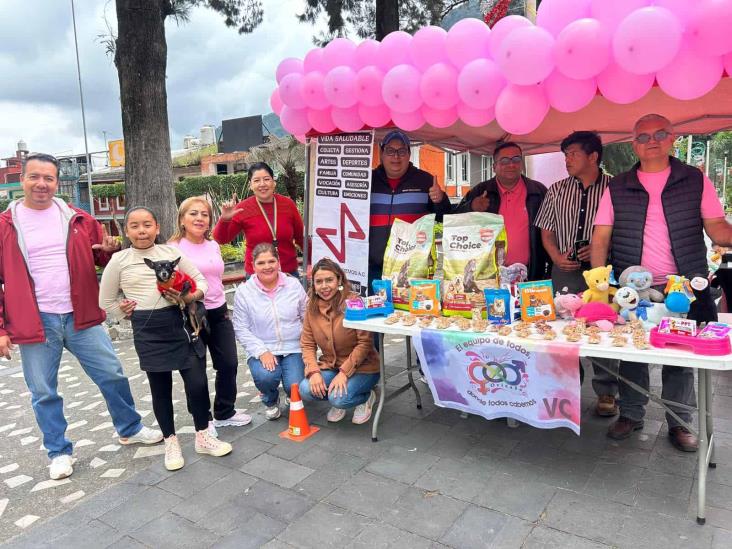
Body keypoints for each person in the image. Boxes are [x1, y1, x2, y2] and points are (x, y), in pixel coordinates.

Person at [0, 153, 161, 480]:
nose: (41, 184)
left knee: (112, 374)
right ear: (23, 179)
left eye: (48, 178)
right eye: (34, 177)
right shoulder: (5, 226)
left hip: (82, 315)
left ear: (57, 182)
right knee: (44, 391)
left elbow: (99, 258)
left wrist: (108, 250)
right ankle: (58, 451)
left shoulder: (78, 219)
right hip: (36, 321)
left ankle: (129, 427)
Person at [592, 113, 732, 451]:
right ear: (633, 144)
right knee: (633, 355)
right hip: (633, 290)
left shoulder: (695, 180)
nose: (651, 140)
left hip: (684, 286)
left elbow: (716, 229)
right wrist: (597, 288)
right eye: (643, 136)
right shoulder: (618, 185)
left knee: (681, 360)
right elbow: (601, 238)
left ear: (673, 138)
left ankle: (681, 423)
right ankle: (631, 414)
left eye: (660, 133)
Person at [99, 207, 232, 471]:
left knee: (197, 381)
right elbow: (106, 301)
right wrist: (125, 314)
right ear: (127, 231)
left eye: (147, 224)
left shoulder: (171, 253)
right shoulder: (119, 260)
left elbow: (200, 281)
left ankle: (203, 435)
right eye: (134, 226)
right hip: (148, 329)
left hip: (180, 323)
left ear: (157, 227)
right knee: (160, 389)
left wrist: (189, 298)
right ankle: (170, 441)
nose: (141, 231)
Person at [534, 131, 619, 417]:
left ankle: (607, 391)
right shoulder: (557, 190)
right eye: (565, 155)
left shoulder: (615, 189)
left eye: (573, 154)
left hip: (604, 274)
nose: (567, 160)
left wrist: (603, 253)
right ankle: (566, 388)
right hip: (566, 271)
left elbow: (625, 230)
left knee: (603, 327)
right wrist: (557, 257)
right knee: (564, 328)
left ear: (593, 156)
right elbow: (546, 232)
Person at [169, 197, 252, 429]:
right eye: (193, 214)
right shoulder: (173, 248)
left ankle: (225, 412)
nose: (199, 218)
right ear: (182, 219)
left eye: (204, 214)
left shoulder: (213, 244)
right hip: (190, 314)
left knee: (229, 362)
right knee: (196, 371)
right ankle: (202, 419)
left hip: (219, 309)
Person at [368, 130, 452, 290]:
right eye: (390, 151)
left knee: (408, 315)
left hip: (412, 269)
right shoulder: (368, 181)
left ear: (409, 154)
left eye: (401, 151)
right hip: (373, 268)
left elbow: (444, 218)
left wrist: (440, 200)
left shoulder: (425, 180)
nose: (396, 157)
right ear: (382, 154)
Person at [299, 258, 380, 424]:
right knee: (306, 389)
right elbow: (307, 344)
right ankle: (339, 391)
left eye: (329, 280)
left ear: (339, 280)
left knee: (339, 400)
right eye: (319, 281)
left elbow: (364, 344)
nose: (324, 286)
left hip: (363, 368)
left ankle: (366, 397)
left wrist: (344, 373)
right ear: (313, 284)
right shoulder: (311, 307)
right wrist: (313, 372)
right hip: (331, 366)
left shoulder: (354, 302)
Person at [454, 142, 550, 281]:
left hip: (531, 274)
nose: (511, 165)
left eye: (516, 159)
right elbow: (454, 221)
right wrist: (471, 207)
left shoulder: (538, 191)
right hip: (489, 275)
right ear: (494, 167)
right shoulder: (481, 191)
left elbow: (552, 230)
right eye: (504, 161)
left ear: (521, 164)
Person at [233, 243, 307, 420]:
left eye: (271, 261)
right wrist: (261, 351)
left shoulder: (293, 285)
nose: (267, 267)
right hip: (263, 347)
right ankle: (270, 400)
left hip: (293, 346)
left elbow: (307, 316)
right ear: (253, 265)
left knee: (296, 385)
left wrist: (307, 344)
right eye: (261, 263)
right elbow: (240, 327)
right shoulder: (244, 292)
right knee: (266, 376)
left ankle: (291, 393)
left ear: (279, 262)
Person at [213, 162, 303, 278]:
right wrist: (224, 220)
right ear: (250, 185)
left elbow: (302, 238)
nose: (262, 184)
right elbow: (221, 239)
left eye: (266, 179)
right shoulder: (243, 208)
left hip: (288, 273)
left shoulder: (288, 204)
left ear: (273, 182)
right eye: (256, 181)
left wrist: (312, 261)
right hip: (257, 276)